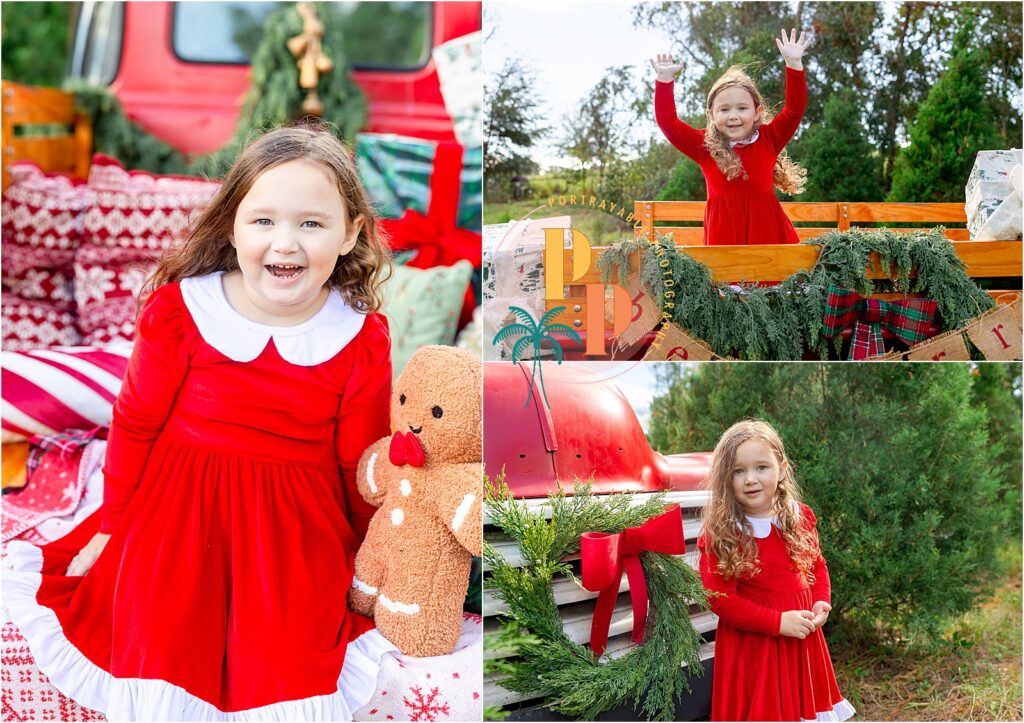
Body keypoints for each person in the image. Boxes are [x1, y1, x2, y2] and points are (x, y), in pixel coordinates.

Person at [4, 126, 397, 721]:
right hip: (176, 516)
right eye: (263, 221)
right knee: (158, 632)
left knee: (285, 656)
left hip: (292, 533)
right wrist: (111, 529)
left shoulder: (359, 338)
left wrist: (374, 555)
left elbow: (358, 461)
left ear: (350, 235)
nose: (284, 243)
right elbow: (135, 425)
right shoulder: (185, 311)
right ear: (233, 224)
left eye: (311, 224)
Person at [697, 419, 854, 722]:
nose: (750, 479)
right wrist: (777, 622)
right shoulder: (725, 531)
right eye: (737, 471)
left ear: (781, 467)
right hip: (755, 647)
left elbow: (817, 566)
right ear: (724, 479)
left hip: (800, 639)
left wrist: (821, 599)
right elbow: (721, 599)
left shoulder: (799, 517)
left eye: (761, 467)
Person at [651, 29, 811, 245]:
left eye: (742, 108)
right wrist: (664, 80)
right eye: (724, 110)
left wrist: (793, 64)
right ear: (711, 115)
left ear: (757, 112)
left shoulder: (770, 138)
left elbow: (794, 109)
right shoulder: (704, 146)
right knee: (728, 279)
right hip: (724, 239)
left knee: (772, 277)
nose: (733, 116)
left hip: (769, 235)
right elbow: (668, 123)